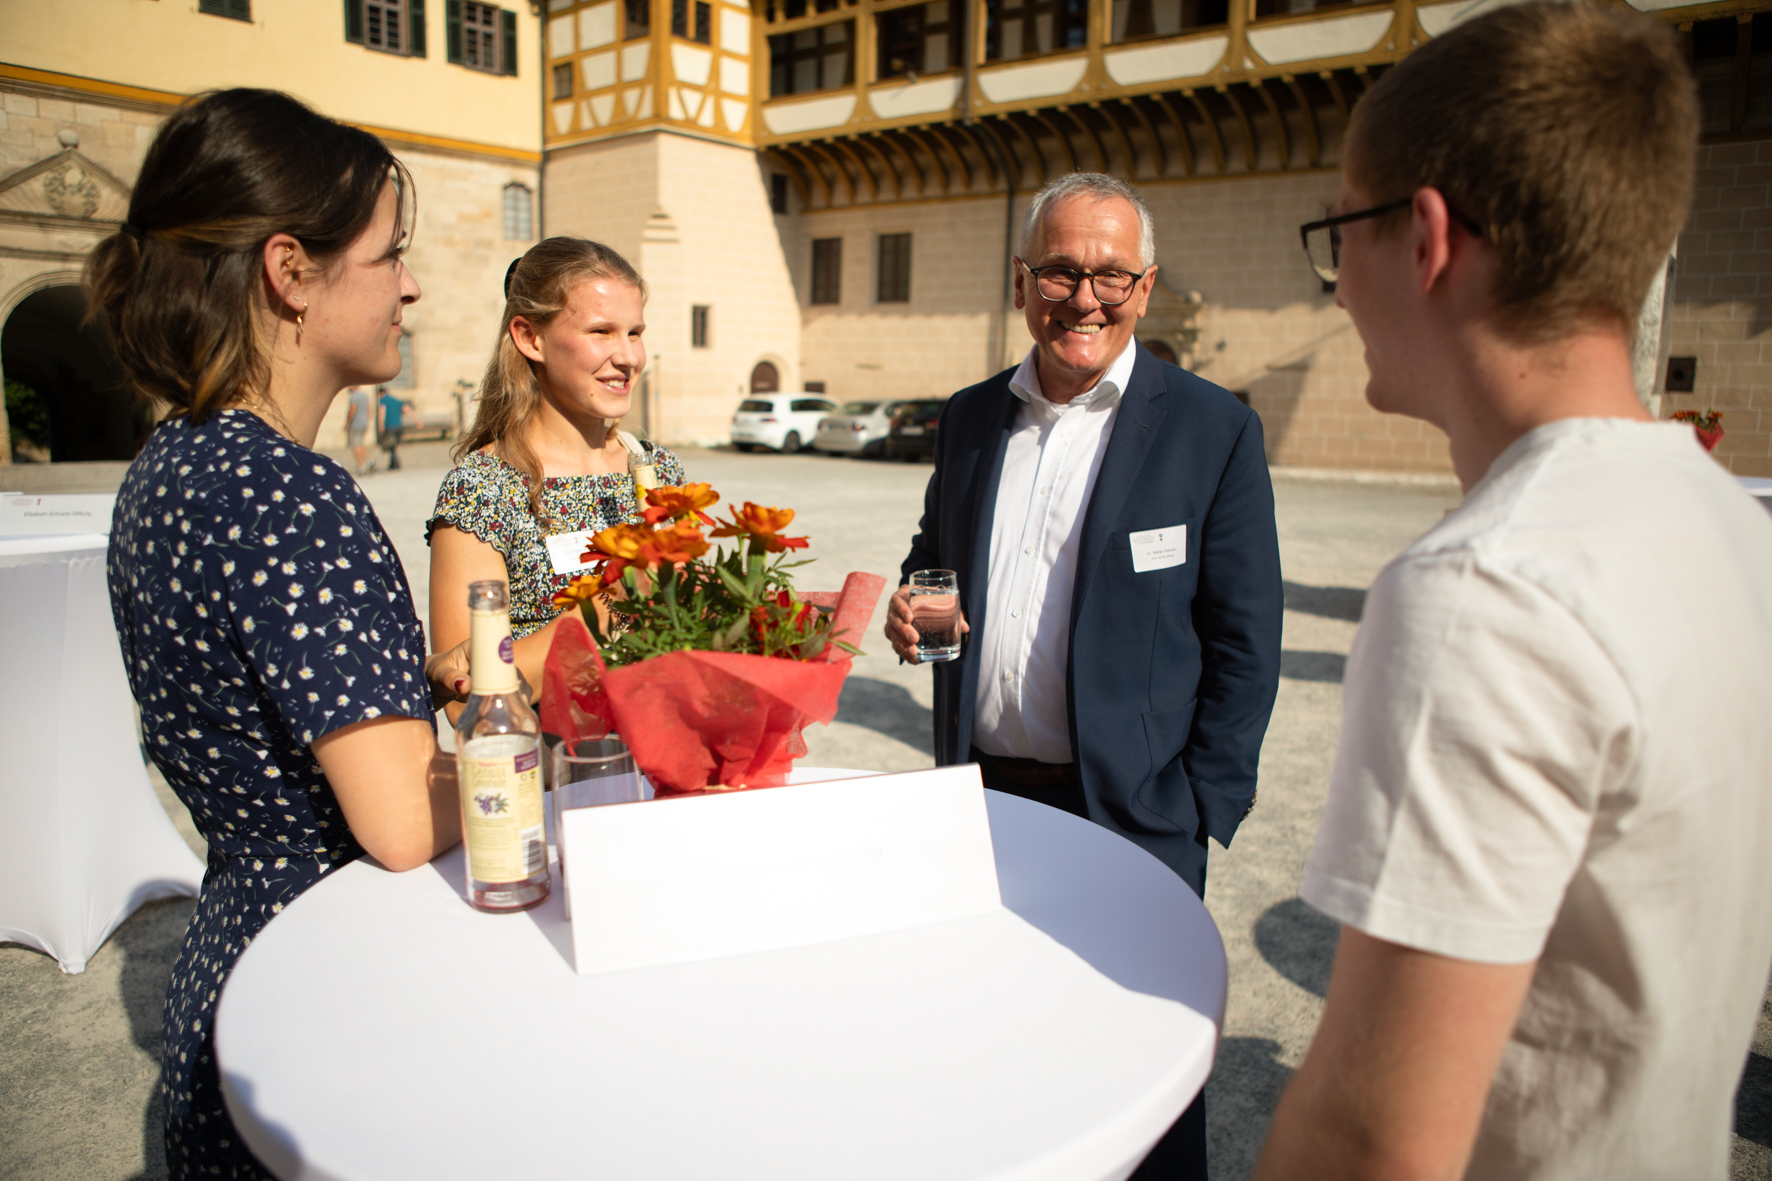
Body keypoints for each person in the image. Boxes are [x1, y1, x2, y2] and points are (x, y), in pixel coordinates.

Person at [1252, 5, 1772, 1178]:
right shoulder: (1725, 523)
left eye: (1340, 234)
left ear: (1425, 236)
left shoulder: (1486, 587)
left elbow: (1372, 1136)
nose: (1336, 288)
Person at [90, 89, 468, 1180]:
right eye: (388, 254)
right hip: (322, 982)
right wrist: (550, 748)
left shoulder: (169, 467)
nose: (409, 283)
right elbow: (398, 820)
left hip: (236, 957)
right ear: (289, 270)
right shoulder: (288, 493)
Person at [885, 172, 1283, 1180]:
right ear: (1024, 281)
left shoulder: (1208, 428)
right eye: (1061, 269)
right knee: (995, 1042)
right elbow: (933, 564)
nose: (1084, 296)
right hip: (982, 801)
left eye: (1110, 272)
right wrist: (917, 612)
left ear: (1144, 288)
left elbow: (1245, 637)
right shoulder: (972, 417)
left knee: (1139, 1065)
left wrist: (1197, 804)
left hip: (1128, 811)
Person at [427, 237, 684, 711]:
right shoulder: (484, 489)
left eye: (634, 332)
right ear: (530, 338)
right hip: (552, 775)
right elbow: (467, 701)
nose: (628, 357)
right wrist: (618, 600)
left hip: (669, 764)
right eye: (601, 332)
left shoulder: (656, 469)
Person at [376, 383, 407, 469]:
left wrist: (380, 425)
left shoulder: (383, 400)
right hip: (399, 426)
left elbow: (382, 412)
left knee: (391, 445)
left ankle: (396, 464)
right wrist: (417, 420)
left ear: (381, 393)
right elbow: (406, 408)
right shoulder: (395, 400)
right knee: (394, 446)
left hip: (390, 426)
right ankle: (393, 464)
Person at [345, 383, 373, 473]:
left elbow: (353, 409)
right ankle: (370, 460)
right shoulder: (365, 396)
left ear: (353, 387)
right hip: (364, 423)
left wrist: (347, 422)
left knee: (355, 446)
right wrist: (368, 420)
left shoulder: (353, 397)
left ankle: (361, 467)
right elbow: (369, 409)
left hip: (355, 424)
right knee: (360, 444)